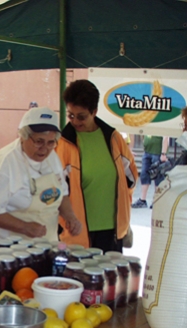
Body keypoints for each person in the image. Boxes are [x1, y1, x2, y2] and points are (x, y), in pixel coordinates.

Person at [55, 79, 138, 252]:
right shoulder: (62, 143)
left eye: (81, 116)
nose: (75, 121)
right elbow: (55, 189)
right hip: (75, 234)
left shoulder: (114, 138)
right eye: (71, 115)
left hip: (112, 232)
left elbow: (131, 178)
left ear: (94, 112)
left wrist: (124, 212)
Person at [0, 106, 82, 241]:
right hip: (8, 245)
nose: (44, 149)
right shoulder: (5, 162)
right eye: (39, 141)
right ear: (23, 136)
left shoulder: (52, 157)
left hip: (45, 242)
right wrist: (24, 227)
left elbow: (62, 193)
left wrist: (70, 217)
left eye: (50, 142)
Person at [132, 135, 169, 209]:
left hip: (158, 152)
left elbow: (166, 137)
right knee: (144, 175)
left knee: (158, 176)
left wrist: (163, 153)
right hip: (147, 152)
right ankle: (142, 200)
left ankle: (156, 200)